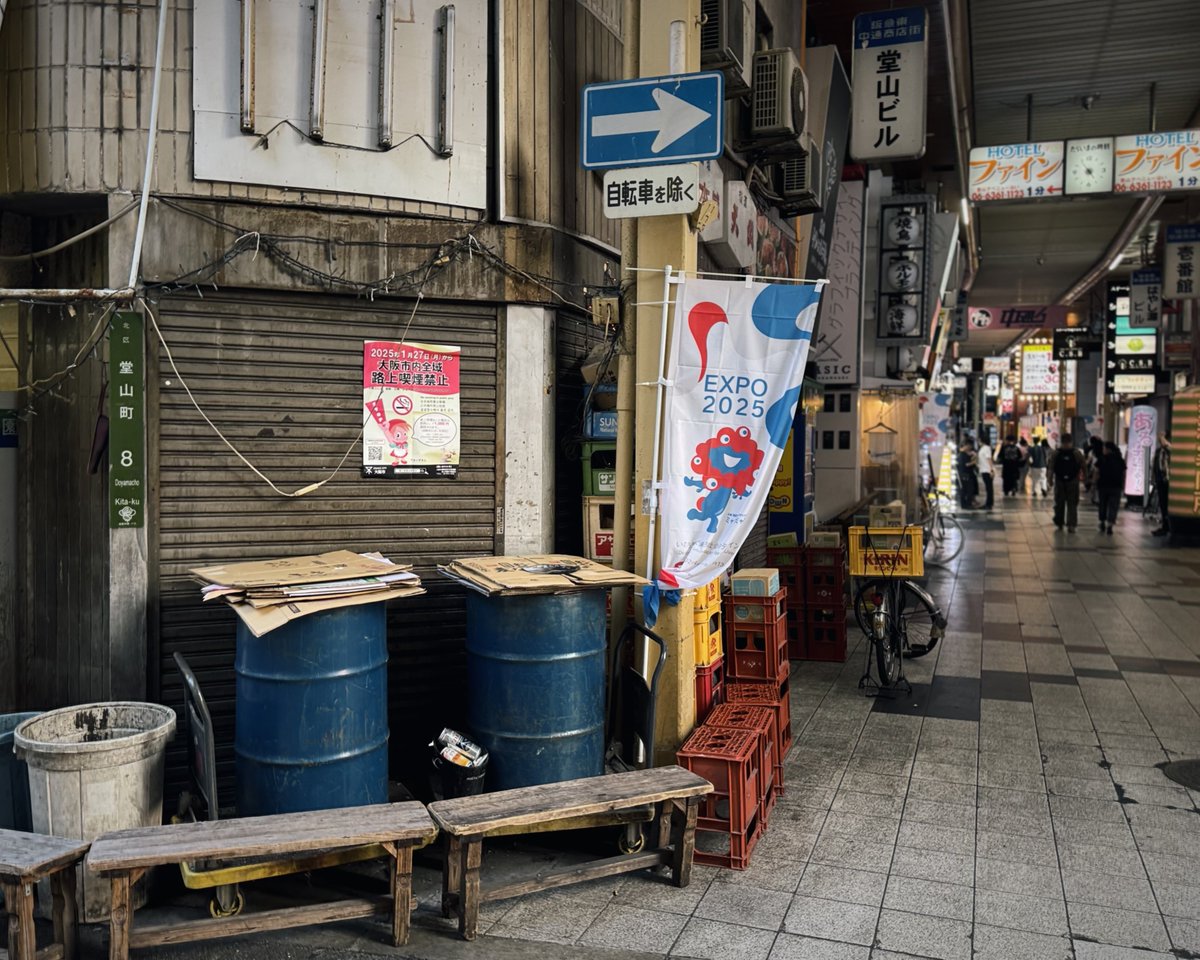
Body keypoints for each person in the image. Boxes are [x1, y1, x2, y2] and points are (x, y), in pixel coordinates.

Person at [1049, 433, 1087, 533]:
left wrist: (1050, 479)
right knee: (1072, 504)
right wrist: (1085, 477)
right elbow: (1083, 465)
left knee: (1059, 503)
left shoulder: (1056, 453)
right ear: (1071, 442)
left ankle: (1060, 522)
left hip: (1060, 481)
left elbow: (1051, 467)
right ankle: (1071, 524)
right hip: (1073, 481)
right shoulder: (1077, 453)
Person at [1095, 441, 1126, 536]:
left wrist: (1094, 482)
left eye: (1104, 448)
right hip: (1116, 486)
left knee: (1102, 504)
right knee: (1113, 506)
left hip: (1103, 485)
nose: (1103, 450)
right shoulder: (1120, 459)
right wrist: (1123, 484)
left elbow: (1096, 471)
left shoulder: (1102, 458)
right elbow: (1123, 473)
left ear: (1108, 449)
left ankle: (1102, 522)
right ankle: (1110, 524)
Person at [1152, 434, 1172, 536]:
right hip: (1160, 480)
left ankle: (1169, 525)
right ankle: (1165, 525)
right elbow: (1155, 464)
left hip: (1169, 481)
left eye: (1162, 437)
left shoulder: (1170, 450)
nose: (1160, 439)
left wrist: (1167, 444)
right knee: (1163, 503)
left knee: (1168, 504)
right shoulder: (1158, 451)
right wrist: (1153, 478)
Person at [957, 439, 978, 509]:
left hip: (965, 474)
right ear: (966, 445)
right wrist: (974, 462)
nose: (970, 448)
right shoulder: (962, 455)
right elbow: (966, 464)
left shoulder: (963, 454)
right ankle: (966, 504)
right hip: (965, 475)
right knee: (967, 490)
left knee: (967, 490)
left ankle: (967, 504)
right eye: (969, 446)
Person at [977, 434, 995, 510]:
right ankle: (988, 503)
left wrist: (991, 470)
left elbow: (989, 459)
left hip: (987, 470)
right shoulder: (983, 448)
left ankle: (989, 504)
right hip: (983, 469)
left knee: (989, 488)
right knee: (988, 487)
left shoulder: (986, 448)